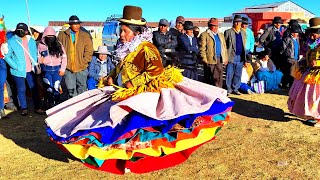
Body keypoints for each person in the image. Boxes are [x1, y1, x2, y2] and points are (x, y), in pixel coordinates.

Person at [44, 5, 233, 174]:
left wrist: (131, 84)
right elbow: (120, 67)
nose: (121, 34)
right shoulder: (127, 48)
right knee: (108, 126)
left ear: (135, 31)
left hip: (141, 94)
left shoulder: (146, 48)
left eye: (125, 31)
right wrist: (110, 77)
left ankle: (140, 160)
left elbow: (155, 72)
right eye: (121, 30)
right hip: (122, 92)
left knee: (139, 128)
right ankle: (124, 159)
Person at [4, 23, 45, 116]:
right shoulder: (11, 41)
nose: (21, 32)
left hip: (31, 69)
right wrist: (15, 66)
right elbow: (7, 56)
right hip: (18, 71)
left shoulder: (31, 41)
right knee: (21, 89)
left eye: (23, 30)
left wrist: (37, 62)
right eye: (19, 30)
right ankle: (24, 108)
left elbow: (35, 53)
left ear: (26, 31)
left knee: (34, 88)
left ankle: (37, 107)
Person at [288, 17, 320, 127]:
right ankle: (312, 115)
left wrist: (318, 64)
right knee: (309, 96)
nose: (311, 36)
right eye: (311, 33)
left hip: (318, 75)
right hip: (310, 72)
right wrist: (304, 62)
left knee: (317, 97)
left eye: (314, 34)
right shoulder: (311, 43)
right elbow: (309, 56)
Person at [58, 15, 94, 98]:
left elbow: (89, 50)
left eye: (78, 24)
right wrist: (62, 63)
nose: (77, 26)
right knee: (71, 91)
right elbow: (58, 49)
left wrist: (84, 61)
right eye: (75, 24)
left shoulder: (85, 35)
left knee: (82, 89)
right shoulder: (62, 35)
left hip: (81, 67)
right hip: (68, 68)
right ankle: (73, 108)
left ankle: (82, 108)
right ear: (70, 24)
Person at [38, 26, 67, 107]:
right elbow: (38, 57)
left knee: (56, 87)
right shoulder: (41, 45)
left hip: (57, 69)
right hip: (46, 69)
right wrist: (42, 60)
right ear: (44, 36)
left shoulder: (59, 45)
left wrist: (62, 69)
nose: (50, 38)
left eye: (52, 37)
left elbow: (64, 57)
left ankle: (57, 103)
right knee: (48, 88)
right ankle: (50, 104)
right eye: (48, 36)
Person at [199, 18, 228, 88]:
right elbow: (202, 48)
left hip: (219, 59)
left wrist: (226, 58)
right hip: (210, 59)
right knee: (210, 77)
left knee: (219, 77)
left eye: (217, 26)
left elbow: (224, 47)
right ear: (209, 25)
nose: (215, 27)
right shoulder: (204, 35)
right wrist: (204, 59)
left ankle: (219, 92)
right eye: (213, 25)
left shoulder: (220, 34)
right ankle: (210, 93)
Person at [224, 15, 248, 95]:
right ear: (235, 23)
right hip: (231, 56)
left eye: (240, 22)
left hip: (240, 56)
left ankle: (235, 88)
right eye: (239, 22)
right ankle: (228, 89)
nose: (240, 24)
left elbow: (244, 45)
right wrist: (225, 57)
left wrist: (246, 59)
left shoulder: (243, 33)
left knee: (238, 74)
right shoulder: (228, 32)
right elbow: (225, 46)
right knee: (229, 73)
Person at [0, 16, 6, 118]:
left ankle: (1, 109)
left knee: (1, 86)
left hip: (1, 61)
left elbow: (3, 35)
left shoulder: (2, 33)